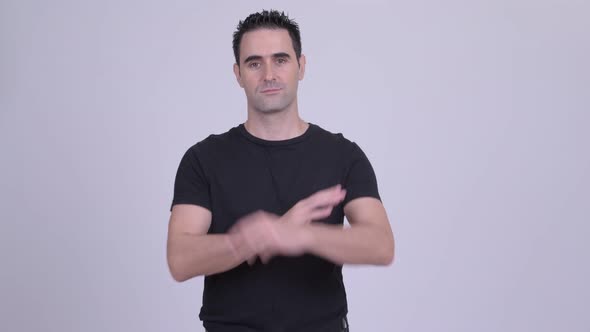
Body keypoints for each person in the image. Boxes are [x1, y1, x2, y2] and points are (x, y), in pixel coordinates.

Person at [166, 10, 395, 332]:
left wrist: (301, 235)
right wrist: (253, 239)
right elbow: (181, 259)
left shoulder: (343, 155)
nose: (268, 74)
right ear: (238, 73)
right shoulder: (203, 158)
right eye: (254, 63)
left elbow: (380, 245)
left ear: (301, 66)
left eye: (281, 60)